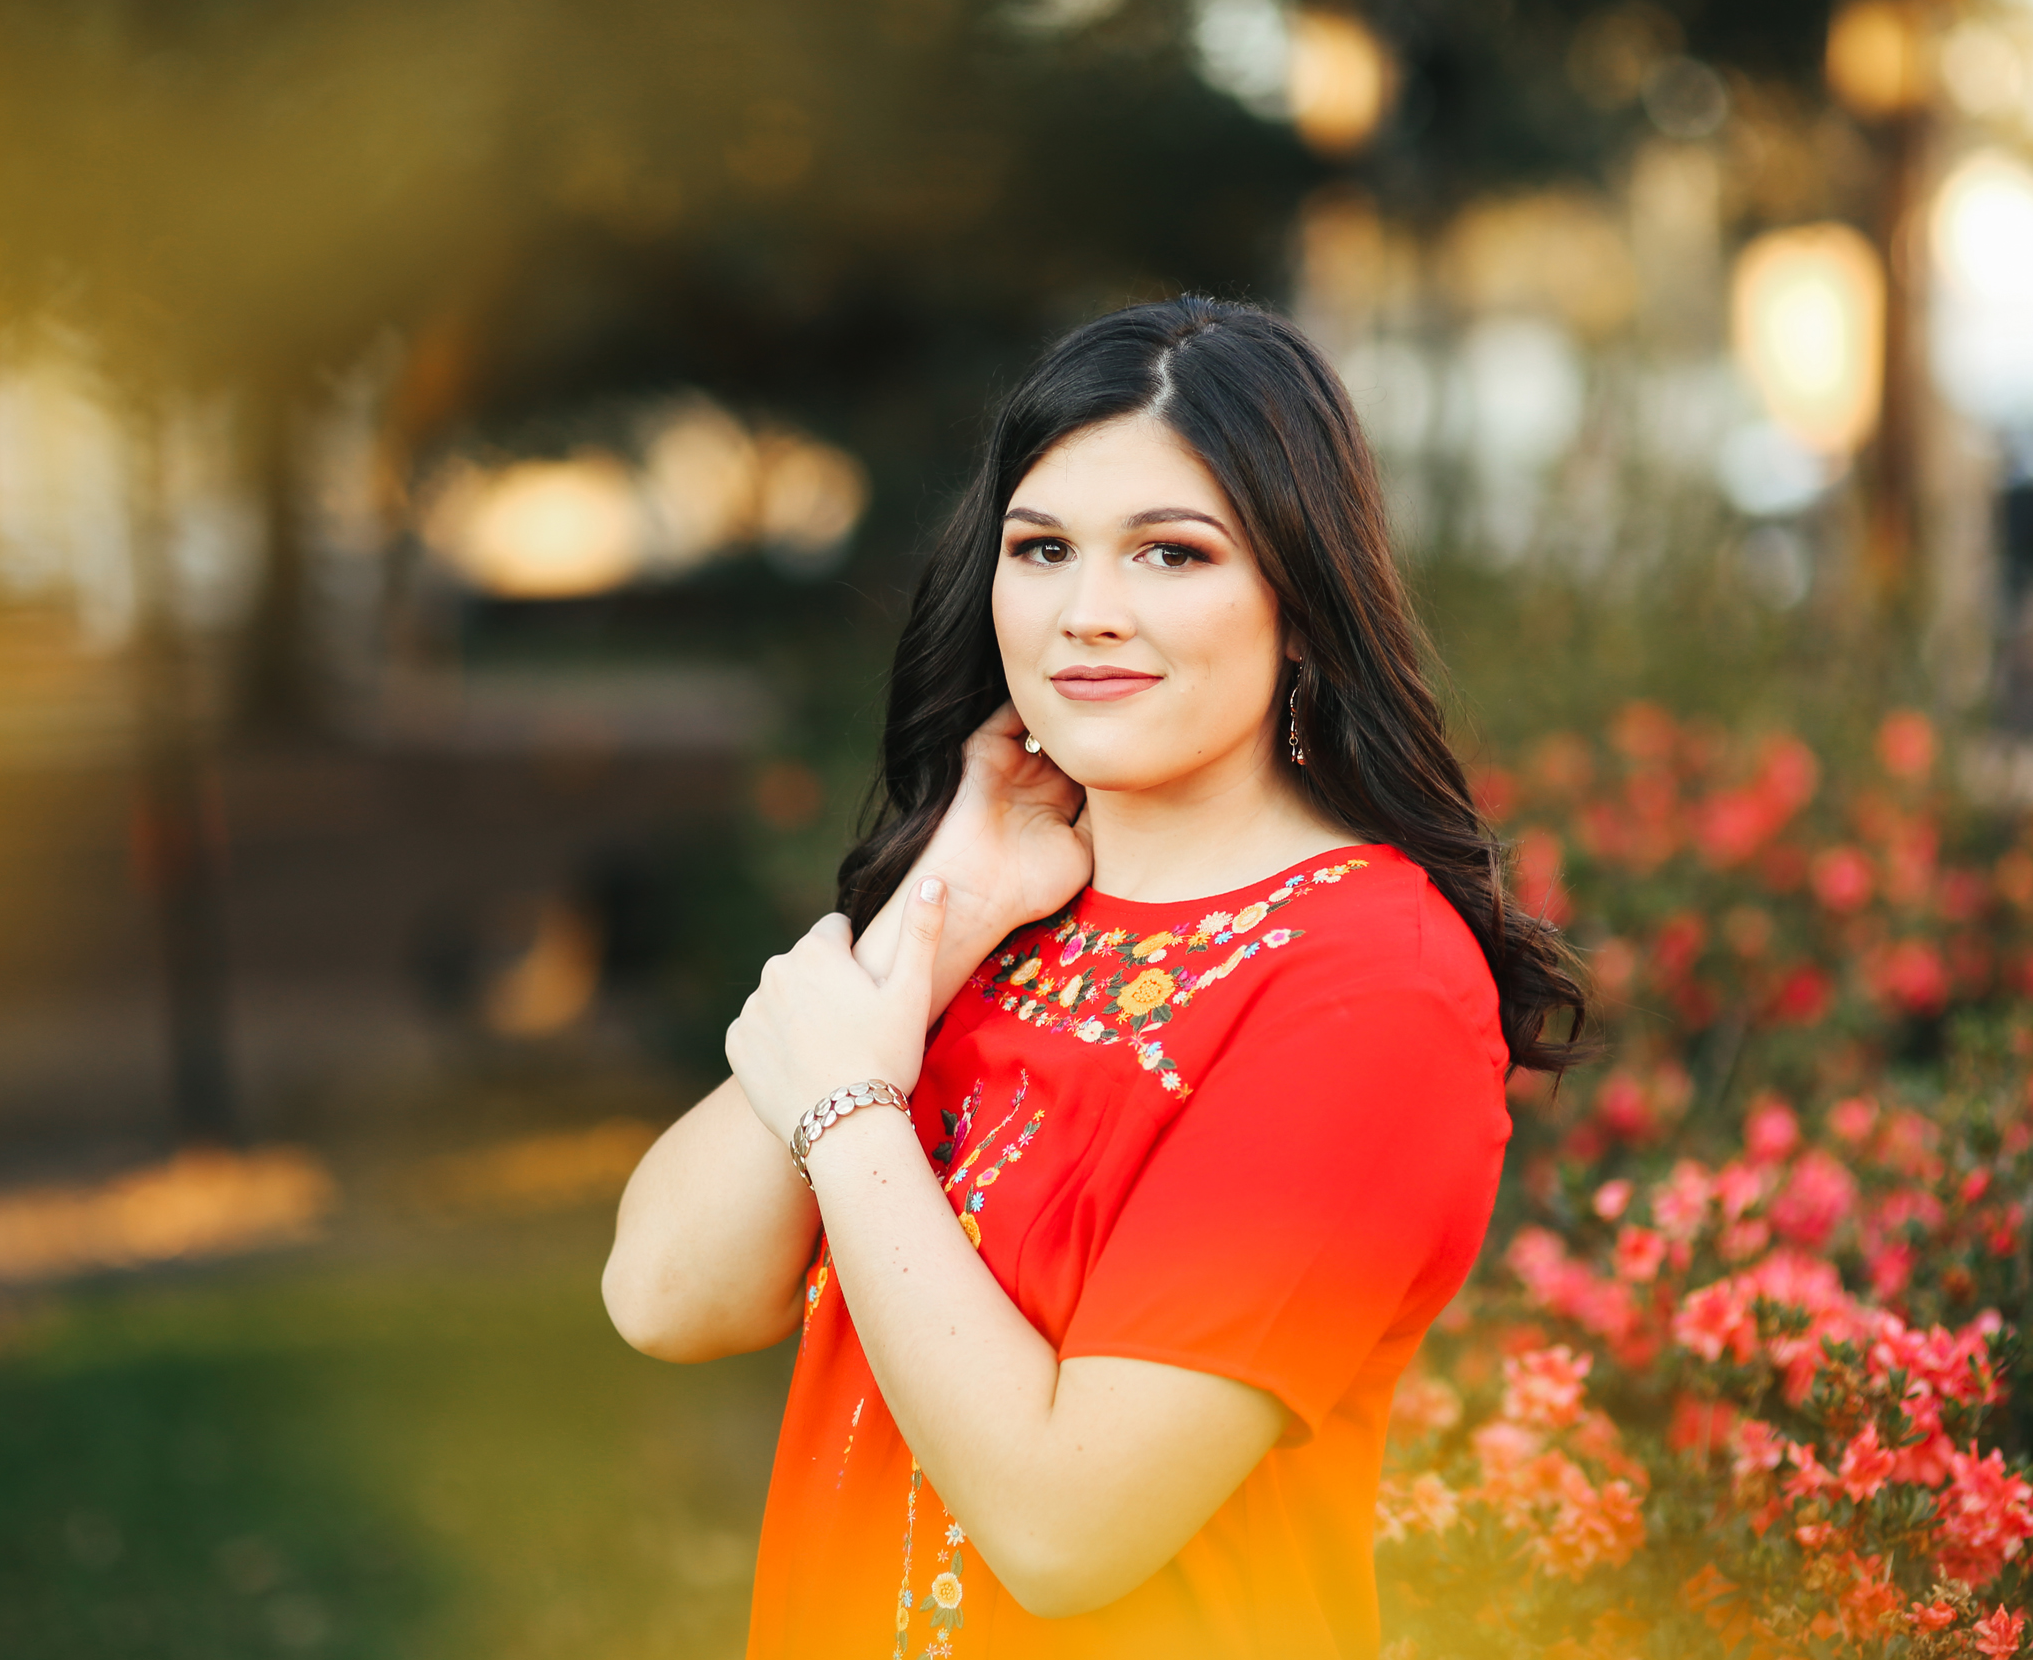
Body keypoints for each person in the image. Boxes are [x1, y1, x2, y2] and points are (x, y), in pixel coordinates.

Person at [603, 295, 1587, 1659]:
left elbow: (1066, 1529)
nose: (1088, 614)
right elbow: (665, 1295)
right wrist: (941, 921)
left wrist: (849, 1111)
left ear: (1305, 606)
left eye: (1172, 553)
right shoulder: (995, 925)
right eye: (1043, 548)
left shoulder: (1372, 986)